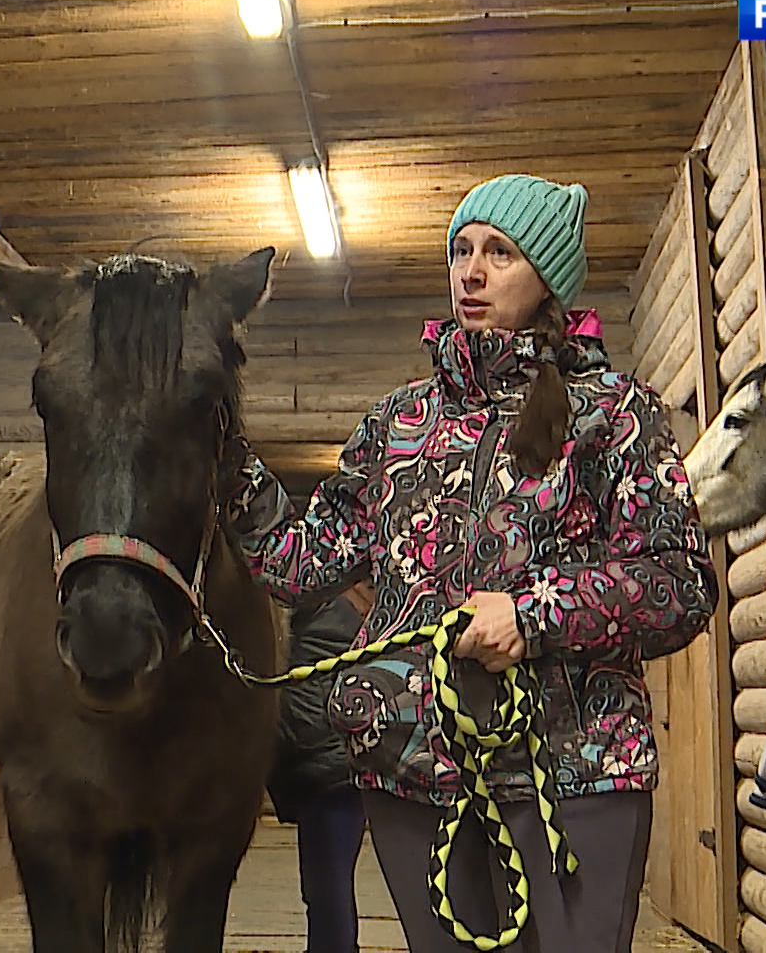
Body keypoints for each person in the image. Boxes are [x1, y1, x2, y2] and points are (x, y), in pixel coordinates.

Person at [230, 174, 717, 953]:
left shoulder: (615, 414)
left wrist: (536, 615)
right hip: (413, 770)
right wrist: (226, 463)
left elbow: (680, 582)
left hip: (572, 771)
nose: (472, 271)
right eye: (461, 251)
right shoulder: (399, 423)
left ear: (548, 276)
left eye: (500, 252)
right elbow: (302, 562)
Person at [268, 584, 372, 953]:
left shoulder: (317, 604)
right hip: (335, 763)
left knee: (326, 889)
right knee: (327, 888)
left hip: (327, 767)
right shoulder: (347, 607)